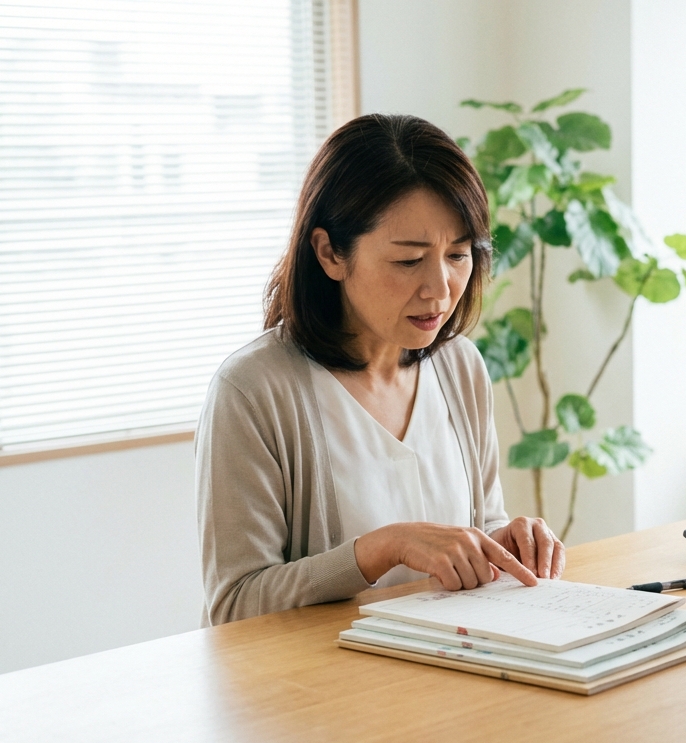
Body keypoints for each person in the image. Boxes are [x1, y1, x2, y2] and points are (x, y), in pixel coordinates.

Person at [197, 114, 564, 626]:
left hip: (448, 663)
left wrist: (504, 545)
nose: (440, 289)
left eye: (458, 255)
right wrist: (382, 549)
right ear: (330, 253)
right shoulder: (253, 389)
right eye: (409, 261)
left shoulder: (461, 367)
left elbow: (481, 529)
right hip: (324, 677)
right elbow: (235, 604)